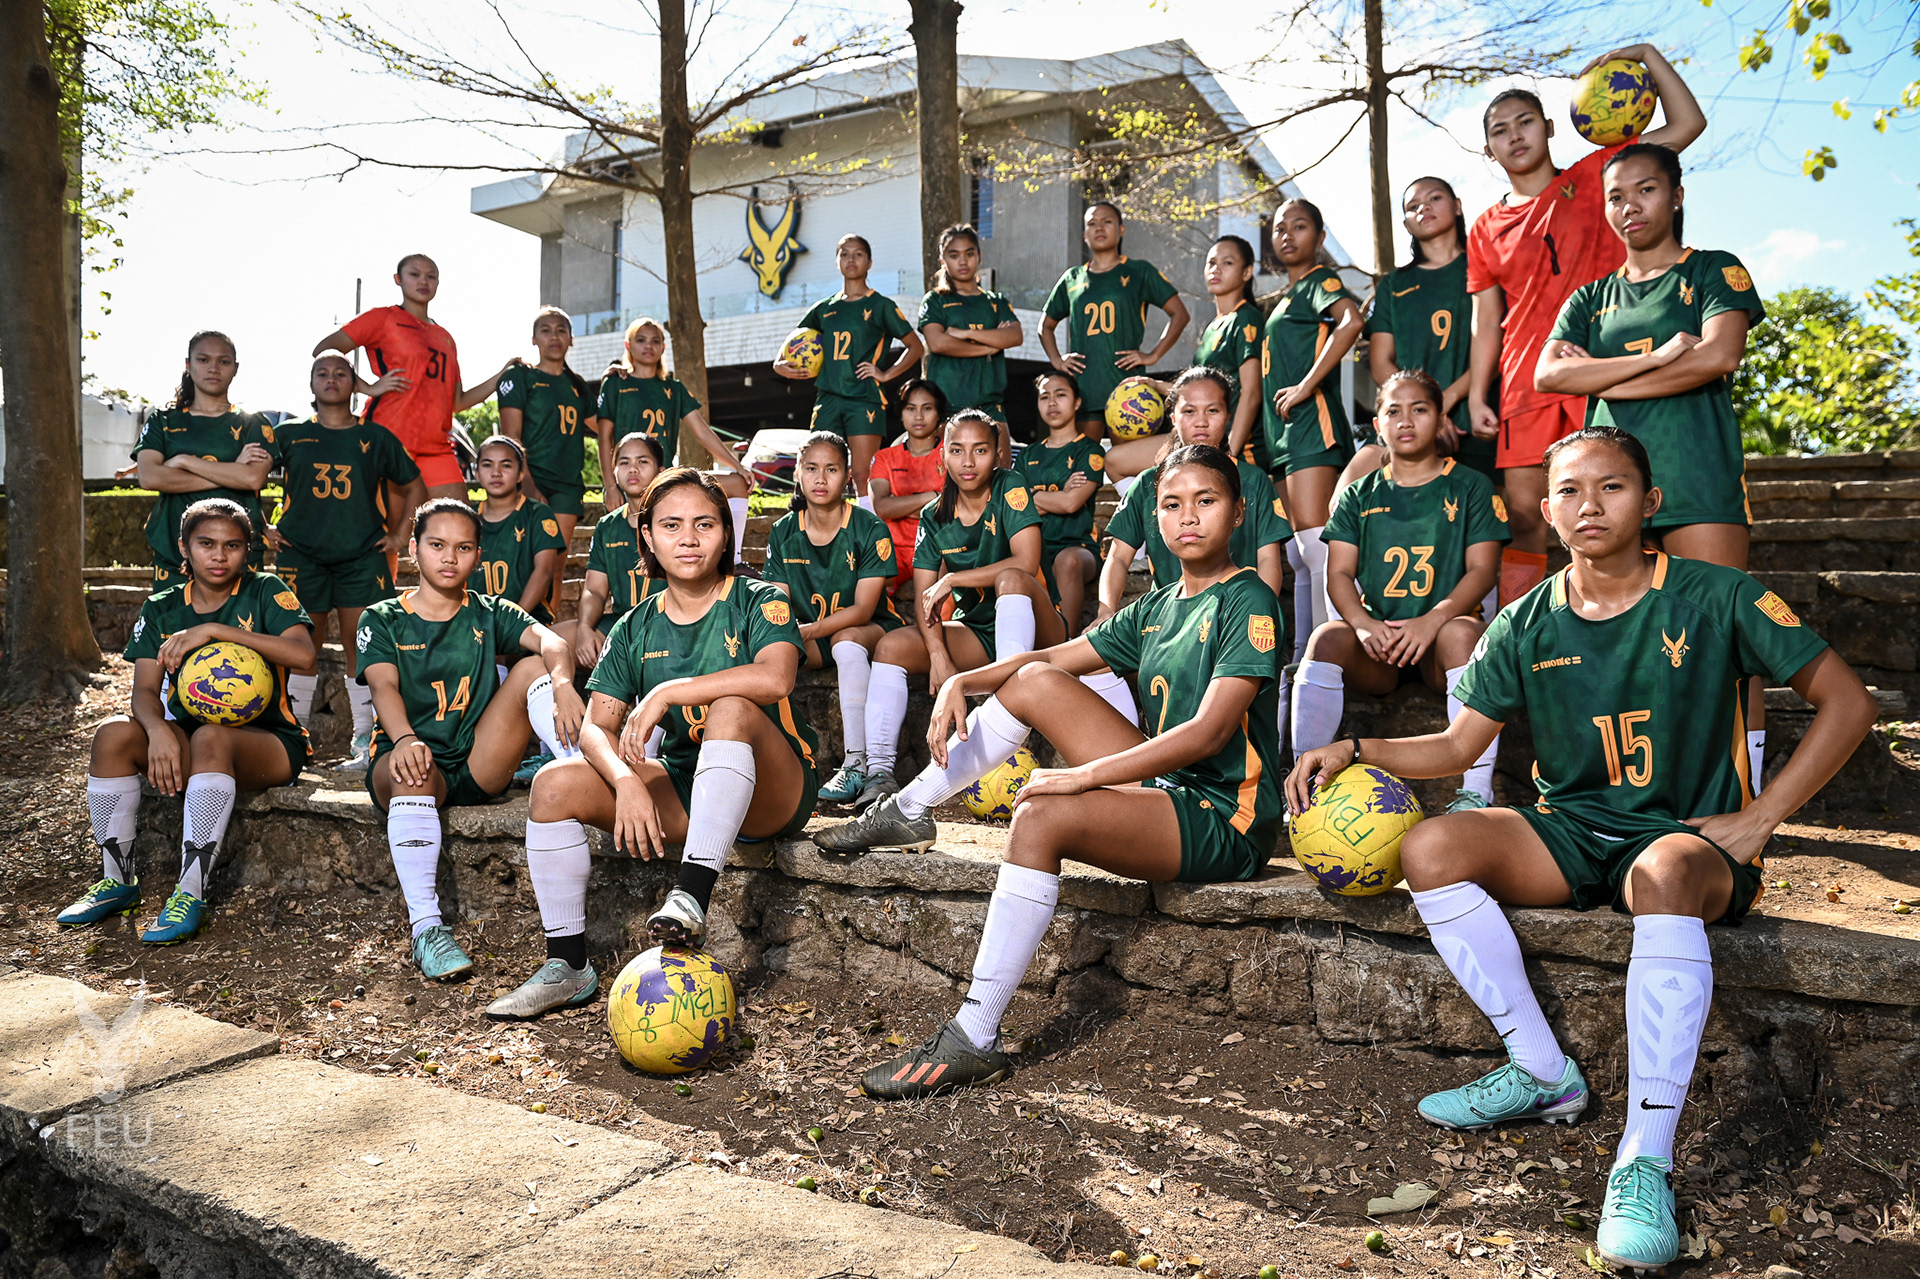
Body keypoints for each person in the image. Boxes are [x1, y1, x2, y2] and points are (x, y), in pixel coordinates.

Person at [1285, 426, 1876, 1271]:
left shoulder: (1718, 594)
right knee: (1432, 846)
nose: (1588, 505)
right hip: (1570, 828)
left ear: (1651, 501)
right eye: (1568, 489)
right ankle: (1540, 1070)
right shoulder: (1526, 618)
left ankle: (1643, 1160)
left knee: (1664, 870)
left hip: (1684, 840)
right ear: (1547, 507)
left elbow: (1848, 702)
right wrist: (1354, 746)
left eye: (1612, 486)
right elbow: (1457, 745)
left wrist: (1761, 819)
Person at [820, 443, 1284, 1098]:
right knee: (1034, 680)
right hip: (1169, 793)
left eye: (1205, 501)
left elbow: (1207, 732)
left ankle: (974, 1035)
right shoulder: (1159, 604)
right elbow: (1053, 659)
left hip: (1225, 816)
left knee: (1039, 814)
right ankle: (908, 808)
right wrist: (961, 680)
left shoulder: (1249, 599)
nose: (1187, 517)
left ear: (1237, 512)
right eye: (1171, 504)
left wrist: (1081, 777)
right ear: (1154, 515)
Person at [488, 469, 820, 1018]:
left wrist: (667, 690)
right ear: (646, 535)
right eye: (671, 525)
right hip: (692, 785)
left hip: (774, 790)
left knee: (732, 706)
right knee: (552, 784)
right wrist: (625, 781)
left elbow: (776, 678)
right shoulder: (634, 625)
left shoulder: (760, 599)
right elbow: (595, 727)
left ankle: (690, 897)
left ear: (726, 533)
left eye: (704, 524)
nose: (688, 538)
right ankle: (567, 967)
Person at [1536, 144, 1769, 785]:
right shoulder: (1591, 297)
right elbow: (1549, 374)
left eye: (1645, 189)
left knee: (1726, 637)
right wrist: (1660, 356)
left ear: (1676, 195)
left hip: (1698, 479)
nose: (1629, 206)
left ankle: (1744, 795)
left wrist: (1603, 376)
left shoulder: (1714, 269)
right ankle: (1634, 791)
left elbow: (1718, 357)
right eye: (1615, 195)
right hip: (1608, 491)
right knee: (1620, 639)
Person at [1465, 47, 1705, 607]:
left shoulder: (1599, 176)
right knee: (1526, 517)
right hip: (1527, 378)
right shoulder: (1484, 227)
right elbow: (1486, 319)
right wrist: (1478, 394)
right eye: (1500, 130)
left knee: (1624, 509)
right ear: (1488, 149)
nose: (1515, 136)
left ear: (1550, 127)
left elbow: (1688, 125)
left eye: (1525, 122)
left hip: (1605, 369)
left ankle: (1638, 621)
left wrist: (1647, 56)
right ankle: (1520, 637)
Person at [59, 499, 315, 944]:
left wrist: (214, 631)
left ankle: (189, 894)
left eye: (233, 545)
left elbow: (305, 656)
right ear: (184, 547)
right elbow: (144, 692)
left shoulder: (265, 591)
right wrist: (158, 729)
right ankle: (118, 882)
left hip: (269, 742)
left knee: (212, 736)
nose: (219, 556)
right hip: (190, 736)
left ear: (248, 550)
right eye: (206, 544)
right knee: (113, 735)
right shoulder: (162, 607)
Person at [357, 498, 585, 979]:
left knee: (533, 667)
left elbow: (554, 641)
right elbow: (383, 687)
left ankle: (579, 767)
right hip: (407, 759)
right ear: (414, 549)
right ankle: (427, 929)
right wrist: (404, 739)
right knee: (415, 772)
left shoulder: (488, 610)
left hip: (477, 759)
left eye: (463, 548)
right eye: (437, 545)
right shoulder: (382, 617)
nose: (449, 557)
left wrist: (564, 684)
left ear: (478, 555)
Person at [1292, 371, 1509, 808]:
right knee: (1327, 638)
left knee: (1463, 634)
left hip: (1440, 640)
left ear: (1442, 419)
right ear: (1378, 425)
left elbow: (1483, 571)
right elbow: (1339, 574)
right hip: (1381, 644)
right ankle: (1302, 785)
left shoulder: (1471, 485)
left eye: (1420, 409)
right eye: (1393, 411)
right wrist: (1363, 624)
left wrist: (1433, 620)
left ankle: (1476, 792)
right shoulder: (1358, 494)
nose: (1405, 421)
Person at [836, 410, 1066, 815]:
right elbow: (926, 595)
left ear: (998, 454)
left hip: (1041, 633)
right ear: (942, 456)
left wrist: (955, 579)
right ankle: (879, 773)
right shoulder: (934, 515)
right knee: (891, 647)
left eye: (980, 450)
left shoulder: (1010, 486)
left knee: (1010, 577)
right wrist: (939, 655)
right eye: (957, 450)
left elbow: (1026, 562)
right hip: (980, 632)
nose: (968, 461)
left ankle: (1007, 709)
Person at [270, 354, 426, 772]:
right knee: (301, 649)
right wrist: (260, 525)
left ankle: (364, 742)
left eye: (341, 373)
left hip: (362, 555)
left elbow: (415, 485)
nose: (331, 379)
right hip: (302, 554)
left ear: (355, 383)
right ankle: (294, 738)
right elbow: (247, 474)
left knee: (364, 646)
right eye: (322, 373)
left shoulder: (375, 436)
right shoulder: (288, 434)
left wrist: (400, 534)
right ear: (311, 383)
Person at [763, 432, 908, 805]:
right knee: (767, 654)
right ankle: (772, 768)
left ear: (847, 475)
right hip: (813, 635)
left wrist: (807, 630)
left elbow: (862, 610)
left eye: (831, 469)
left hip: (871, 629)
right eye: (811, 468)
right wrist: (783, 636)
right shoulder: (783, 530)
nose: (820, 478)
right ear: (798, 473)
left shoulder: (868, 527)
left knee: (845, 643)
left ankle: (856, 763)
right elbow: (778, 602)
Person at [313, 253, 515, 502]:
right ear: (398, 279)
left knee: (457, 518)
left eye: (431, 276)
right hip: (390, 438)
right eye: (414, 274)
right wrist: (366, 387)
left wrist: (502, 375)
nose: (423, 281)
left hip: (436, 446)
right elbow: (324, 351)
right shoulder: (383, 318)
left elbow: (457, 401)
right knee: (391, 524)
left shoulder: (445, 337)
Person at [1260, 198, 1365, 662]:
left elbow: (1352, 321)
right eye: (1280, 228)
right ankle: (1305, 659)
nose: (1287, 234)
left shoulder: (1321, 280)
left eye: (1299, 226)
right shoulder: (1286, 296)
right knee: (1300, 556)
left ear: (1320, 237)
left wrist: (1306, 385)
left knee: (1318, 547)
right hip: (1283, 437)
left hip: (1312, 428)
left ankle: (1332, 659)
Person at [1098, 367, 1290, 615]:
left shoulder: (1254, 480)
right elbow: (1117, 558)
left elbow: (1268, 560)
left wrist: (1256, 613)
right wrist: (1105, 612)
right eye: (1189, 411)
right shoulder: (1148, 483)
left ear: (1228, 416)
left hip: (1235, 615)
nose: (1201, 422)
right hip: (1168, 621)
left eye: (1212, 410)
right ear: (1173, 418)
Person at [1352, 177, 1496, 487]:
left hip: (1475, 419)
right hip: (1412, 425)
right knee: (1351, 491)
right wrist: (1421, 411)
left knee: (1486, 507)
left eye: (1434, 198)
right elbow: (1380, 363)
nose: (1424, 208)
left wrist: (1443, 403)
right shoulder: (1393, 285)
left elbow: (1500, 346)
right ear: (1406, 224)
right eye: (1413, 206)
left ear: (1457, 206)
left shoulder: (1485, 266)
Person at [772, 234, 925, 496]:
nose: (851, 259)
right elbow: (794, 340)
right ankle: (817, 522)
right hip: (828, 397)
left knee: (863, 474)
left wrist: (886, 374)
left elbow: (916, 346)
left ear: (869, 262)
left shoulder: (881, 305)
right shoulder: (824, 308)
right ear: (837, 261)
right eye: (844, 254)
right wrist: (779, 364)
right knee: (817, 469)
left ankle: (867, 522)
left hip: (864, 397)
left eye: (858, 254)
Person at [597, 316, 758, 561]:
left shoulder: (674, 388)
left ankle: (733, 560)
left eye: (655, 341)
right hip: (630, 480)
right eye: (641, 340)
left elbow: (702, 431)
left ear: (663, 347)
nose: (648, 346)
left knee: (737, 483)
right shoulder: (615, 384)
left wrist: (738, 466)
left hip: (664, 478)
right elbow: (604, 438)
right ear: (628, 345)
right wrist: (610, 486)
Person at [133, 331, 278, 588]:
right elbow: (150, 477)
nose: (214, 368)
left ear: (235, 368)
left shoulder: (253, 423)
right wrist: (233, 472)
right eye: (203, 360)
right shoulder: (163, 421)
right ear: (188, 365)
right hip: (175, 555)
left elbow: (253, 479)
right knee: (175, 617)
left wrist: (184, 461)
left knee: (239, 617)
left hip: (239, 556)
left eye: (224, 361)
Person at [1039, 202, 1189, 447]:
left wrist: (1152, 355)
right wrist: (1057, 360)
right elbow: (1045, 326)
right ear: (1084, 234)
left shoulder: (1139, 271)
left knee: (1128, 463)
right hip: (1085, 386)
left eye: (1107, 221)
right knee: (1083, 462)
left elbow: (1180, 314)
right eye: (1092, 223)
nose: (1099, 228)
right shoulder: (1072, 278)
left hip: (1127, 387)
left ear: (1121, 229)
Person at [495, 307, 608, 613]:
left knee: (556, 563)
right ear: (534, 339)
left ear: (571, 338)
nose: (554, 336)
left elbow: (606, 429)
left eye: (561, 330)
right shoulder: (521, 377)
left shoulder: (576, 385)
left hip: (566, 485)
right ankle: (514, 626)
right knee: (524, 560)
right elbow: (510, 437)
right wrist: (528, 484)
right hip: (529, 480)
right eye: (545, 330)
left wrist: (616, 380)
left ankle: (548, 626)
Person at [916, 224, 1018, 465]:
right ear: (943, 261)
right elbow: (938, 343)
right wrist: (989, 347)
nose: (963, 261)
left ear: (979, 256)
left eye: (969, 253)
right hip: (946, 408)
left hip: (990, 405)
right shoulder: (936, 300)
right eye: (954, 255)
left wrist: (964, 333)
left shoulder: (995, 301)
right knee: (946, 479)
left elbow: (1014, 336)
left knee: (1001, 475)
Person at [1015, 372, 1104, 637]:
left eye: (1060, 395)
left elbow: (1070, 503)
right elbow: (1014, 508)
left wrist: (1034, 496)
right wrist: (1060, 493)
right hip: (1033, 547)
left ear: (1077, 402)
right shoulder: (1028, 454)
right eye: (1045, 396)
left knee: (1067, 561)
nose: (1052, 402)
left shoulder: (1089, 450)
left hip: (1078, 547)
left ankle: (1066, 644)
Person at [569, 433, 665, 672]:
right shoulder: (607, 526)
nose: (633, 469)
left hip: (669, 624)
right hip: (621, 623)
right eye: (624, 462)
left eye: (642, 461)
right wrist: (584, 628)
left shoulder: (674, 519)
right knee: (549, 647)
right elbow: (595, 590)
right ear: (614, 473)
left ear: (661, 471)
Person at [470, 435, 569, 625]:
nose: (496, 473)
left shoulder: (538, 514)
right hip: (477, 624)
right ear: (477, 473)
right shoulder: (468, 518)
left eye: (506, 465)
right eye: (487, 465)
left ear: (521, 473)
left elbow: (544, 570)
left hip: (528, 621)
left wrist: (511, 622)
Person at [1190, 235, 1267, 465]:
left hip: (1240, 450)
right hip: (1207, 441)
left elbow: (1252, 393)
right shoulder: (1212, 326)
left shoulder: (1246, 318)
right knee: (1118, 461)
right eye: (1212, 263)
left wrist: (1229, 454)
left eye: (1227, 263)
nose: (1216, 269)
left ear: (1247, 272)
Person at [869, 377, 949, 596]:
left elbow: (952, 508)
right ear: (901, 413)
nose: (919, 416)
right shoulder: (884, 457)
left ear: (939, 413)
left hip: (939, 546)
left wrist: (900, 505)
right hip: (893, 549)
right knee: (864, 580)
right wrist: (932, 496)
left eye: (927, 408)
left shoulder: (951, 454)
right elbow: (882, 507)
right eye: (911, 408)